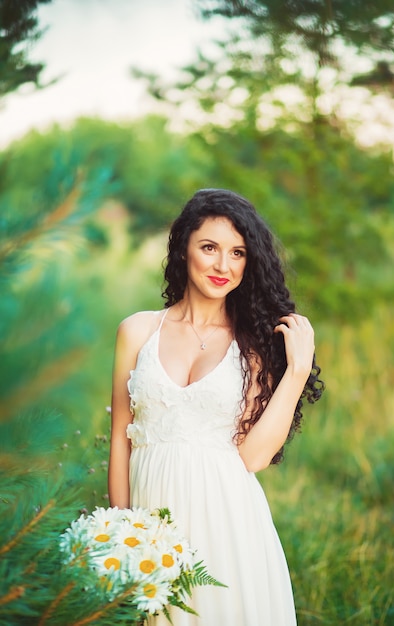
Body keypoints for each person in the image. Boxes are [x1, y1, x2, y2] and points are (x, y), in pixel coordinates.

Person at [108, 188, 324, 625]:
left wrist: (297, 371)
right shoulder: (136, 331)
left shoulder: (254, 346)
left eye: (238, 253)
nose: (223, 266)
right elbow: (119, 439)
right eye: (209, 248)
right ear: (184, 246)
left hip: (228, 520)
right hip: (150, 520)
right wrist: (121, 533)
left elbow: (253, 455)